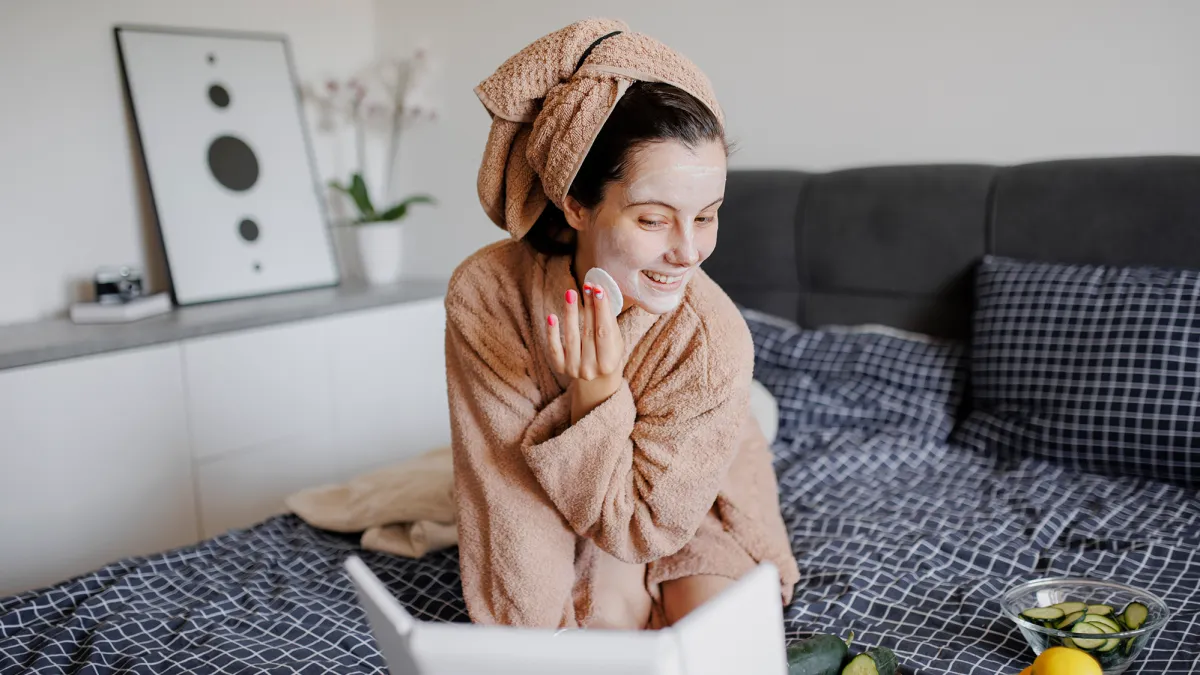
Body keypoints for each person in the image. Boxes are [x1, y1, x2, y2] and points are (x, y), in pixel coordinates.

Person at [444, 18, 799, 631]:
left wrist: (597, 395)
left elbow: (643, 529)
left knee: (711, 631)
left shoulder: (710, 338)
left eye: (707, 216)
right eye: (654, 220)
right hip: (569, 484)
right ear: (576, 205)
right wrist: (528, 645)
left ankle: (750, 420)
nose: (689, 252)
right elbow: (505, 495)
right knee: (597, 623)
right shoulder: (488, 294)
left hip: (694, 480)